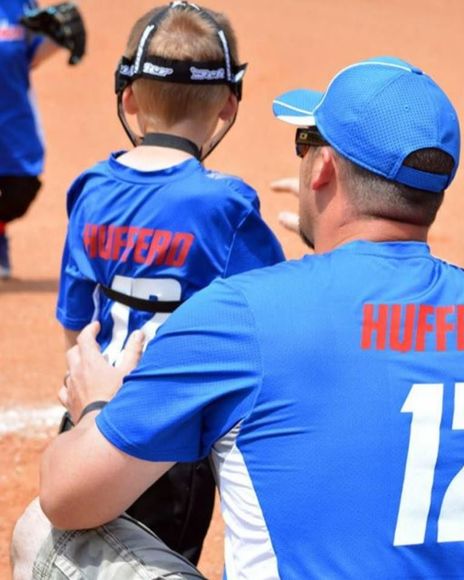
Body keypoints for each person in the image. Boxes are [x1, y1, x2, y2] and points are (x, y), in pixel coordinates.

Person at [36, 56, 464, 578]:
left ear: (323, 169)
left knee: (39, 532)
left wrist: (96, 406)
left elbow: (67, 498)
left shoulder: (243, 314)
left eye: (306, 143)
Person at [11, 1, 284, 574]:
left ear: (129, 97)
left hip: (91, 413)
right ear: (227, 105)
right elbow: (270, 313)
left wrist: (90, 406)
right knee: (158, 562)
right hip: (171, 432)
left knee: (76, 555)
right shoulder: (227, 204)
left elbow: (75, 320)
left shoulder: (91, 188)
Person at [0, 1, 84, 279]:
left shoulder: (18, 3)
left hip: (12, 117)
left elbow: (28, 56)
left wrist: (55, 38)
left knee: (21, 189)